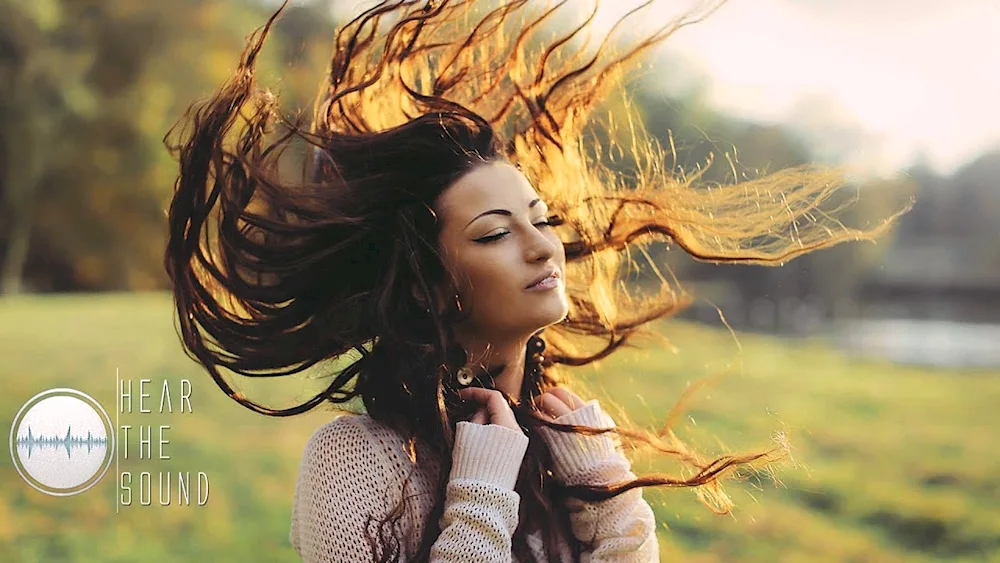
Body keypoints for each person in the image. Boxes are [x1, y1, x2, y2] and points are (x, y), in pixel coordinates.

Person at [163, 1, 906, 561]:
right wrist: (480, 494)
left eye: (541, 218)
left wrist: (605, 496)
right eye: (493, 232)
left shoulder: (570, 433)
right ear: (425, 279)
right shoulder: (358, 460)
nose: (541, 245)